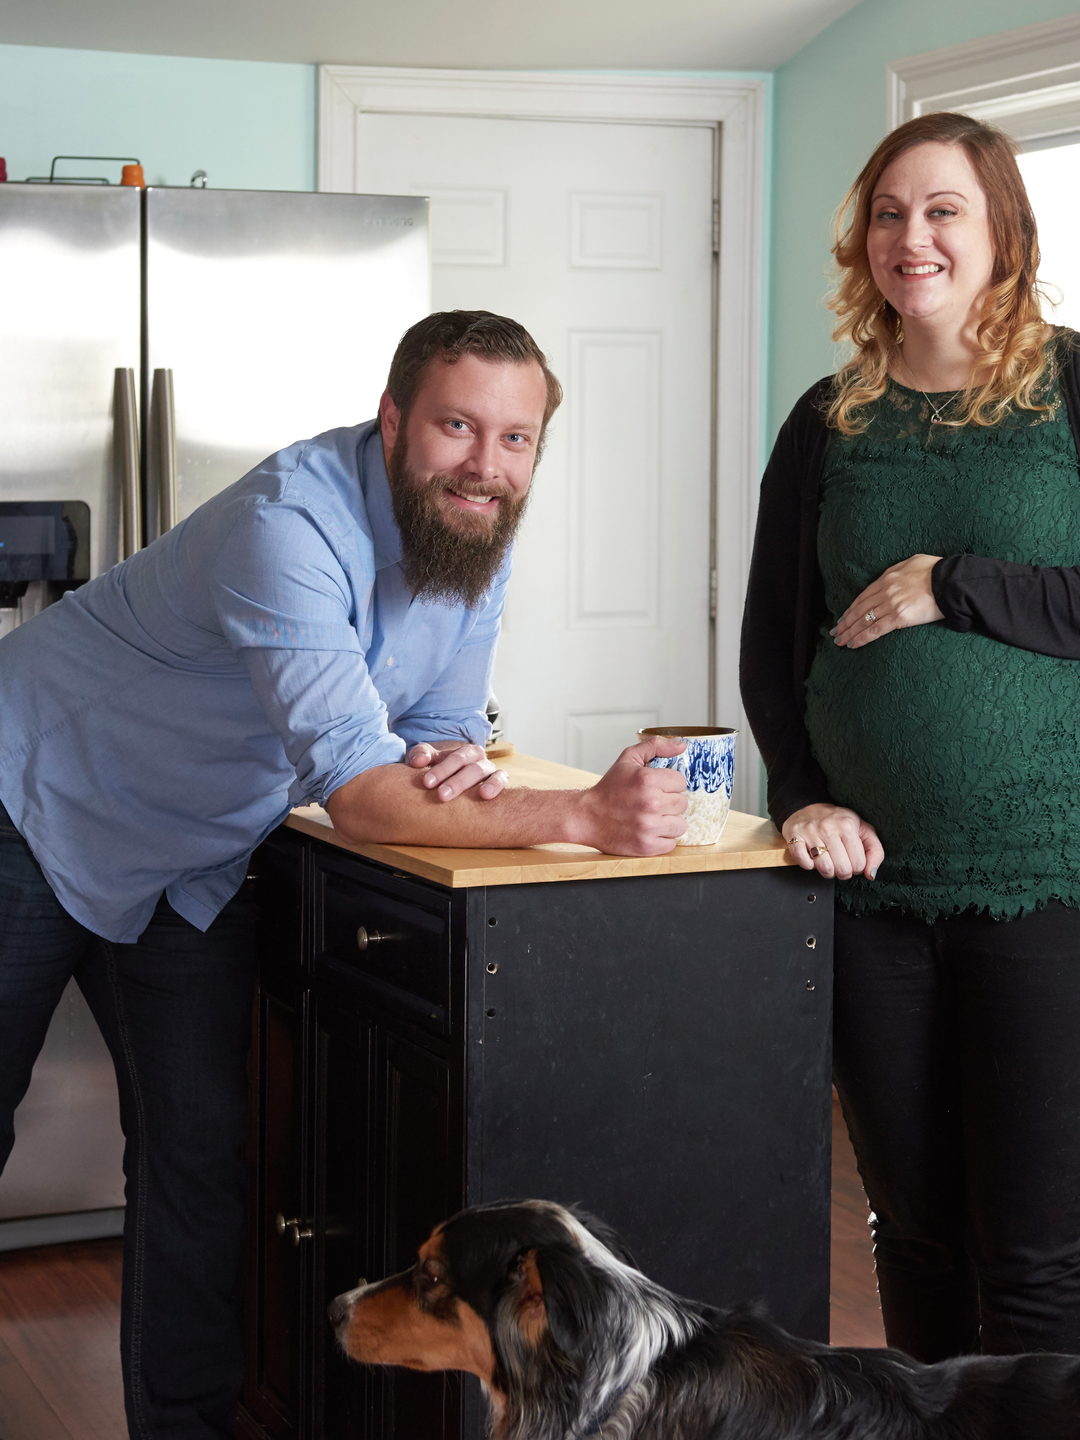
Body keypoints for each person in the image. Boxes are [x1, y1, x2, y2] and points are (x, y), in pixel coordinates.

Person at [0, 308, 688, 1439]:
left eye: (517, 440)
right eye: (459, 426)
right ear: (392, 420)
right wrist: (586, 813)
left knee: (201, 1164)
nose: (487, 465)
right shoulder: (290, 525)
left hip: (190, 862)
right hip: (30, 803)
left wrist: (454, 754)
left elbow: (437, 721)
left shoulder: (474, 536)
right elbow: (365, 793)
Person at [741, 114, 1080, 1363]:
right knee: (915, 1229)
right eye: (889, 213)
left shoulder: (1071, 390)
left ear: (1002, 233)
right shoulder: (828, 420)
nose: (912, 238)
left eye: (943, 211)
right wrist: (799, 799)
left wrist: (960, 582)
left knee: (1038, 1246)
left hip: (1049, 884)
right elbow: (776, 649)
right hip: (870, 889)